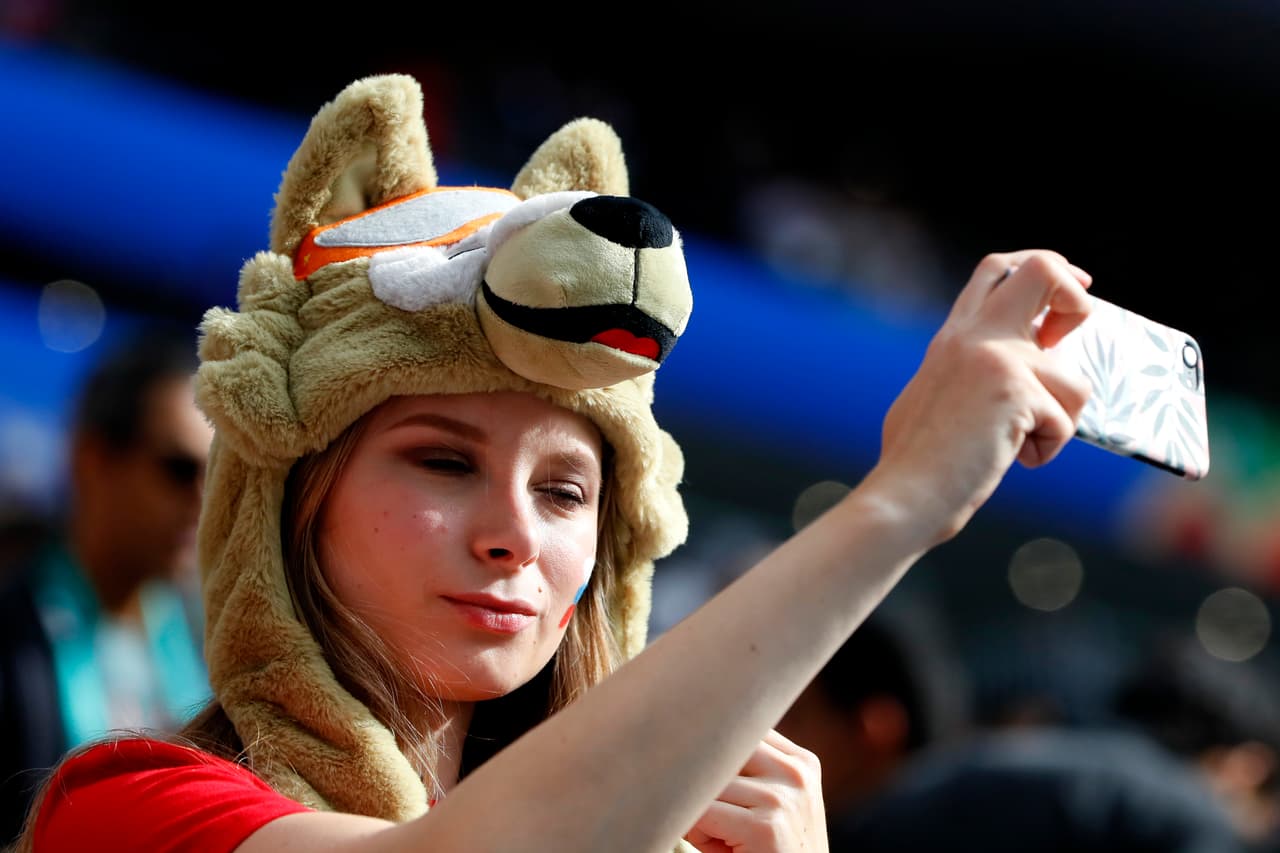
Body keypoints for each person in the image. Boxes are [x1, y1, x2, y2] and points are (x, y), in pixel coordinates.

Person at [13, 72, 1099, 852]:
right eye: (440, 461)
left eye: (565, 489)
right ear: (296, 493)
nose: (513, 533)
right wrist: (898, 500)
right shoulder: (132, 806)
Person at [0, 326, 214, 845]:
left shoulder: (204, 639)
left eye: (218, 475)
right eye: (180, 469)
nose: (203, 501)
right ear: (92, 460)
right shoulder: (12, 642)